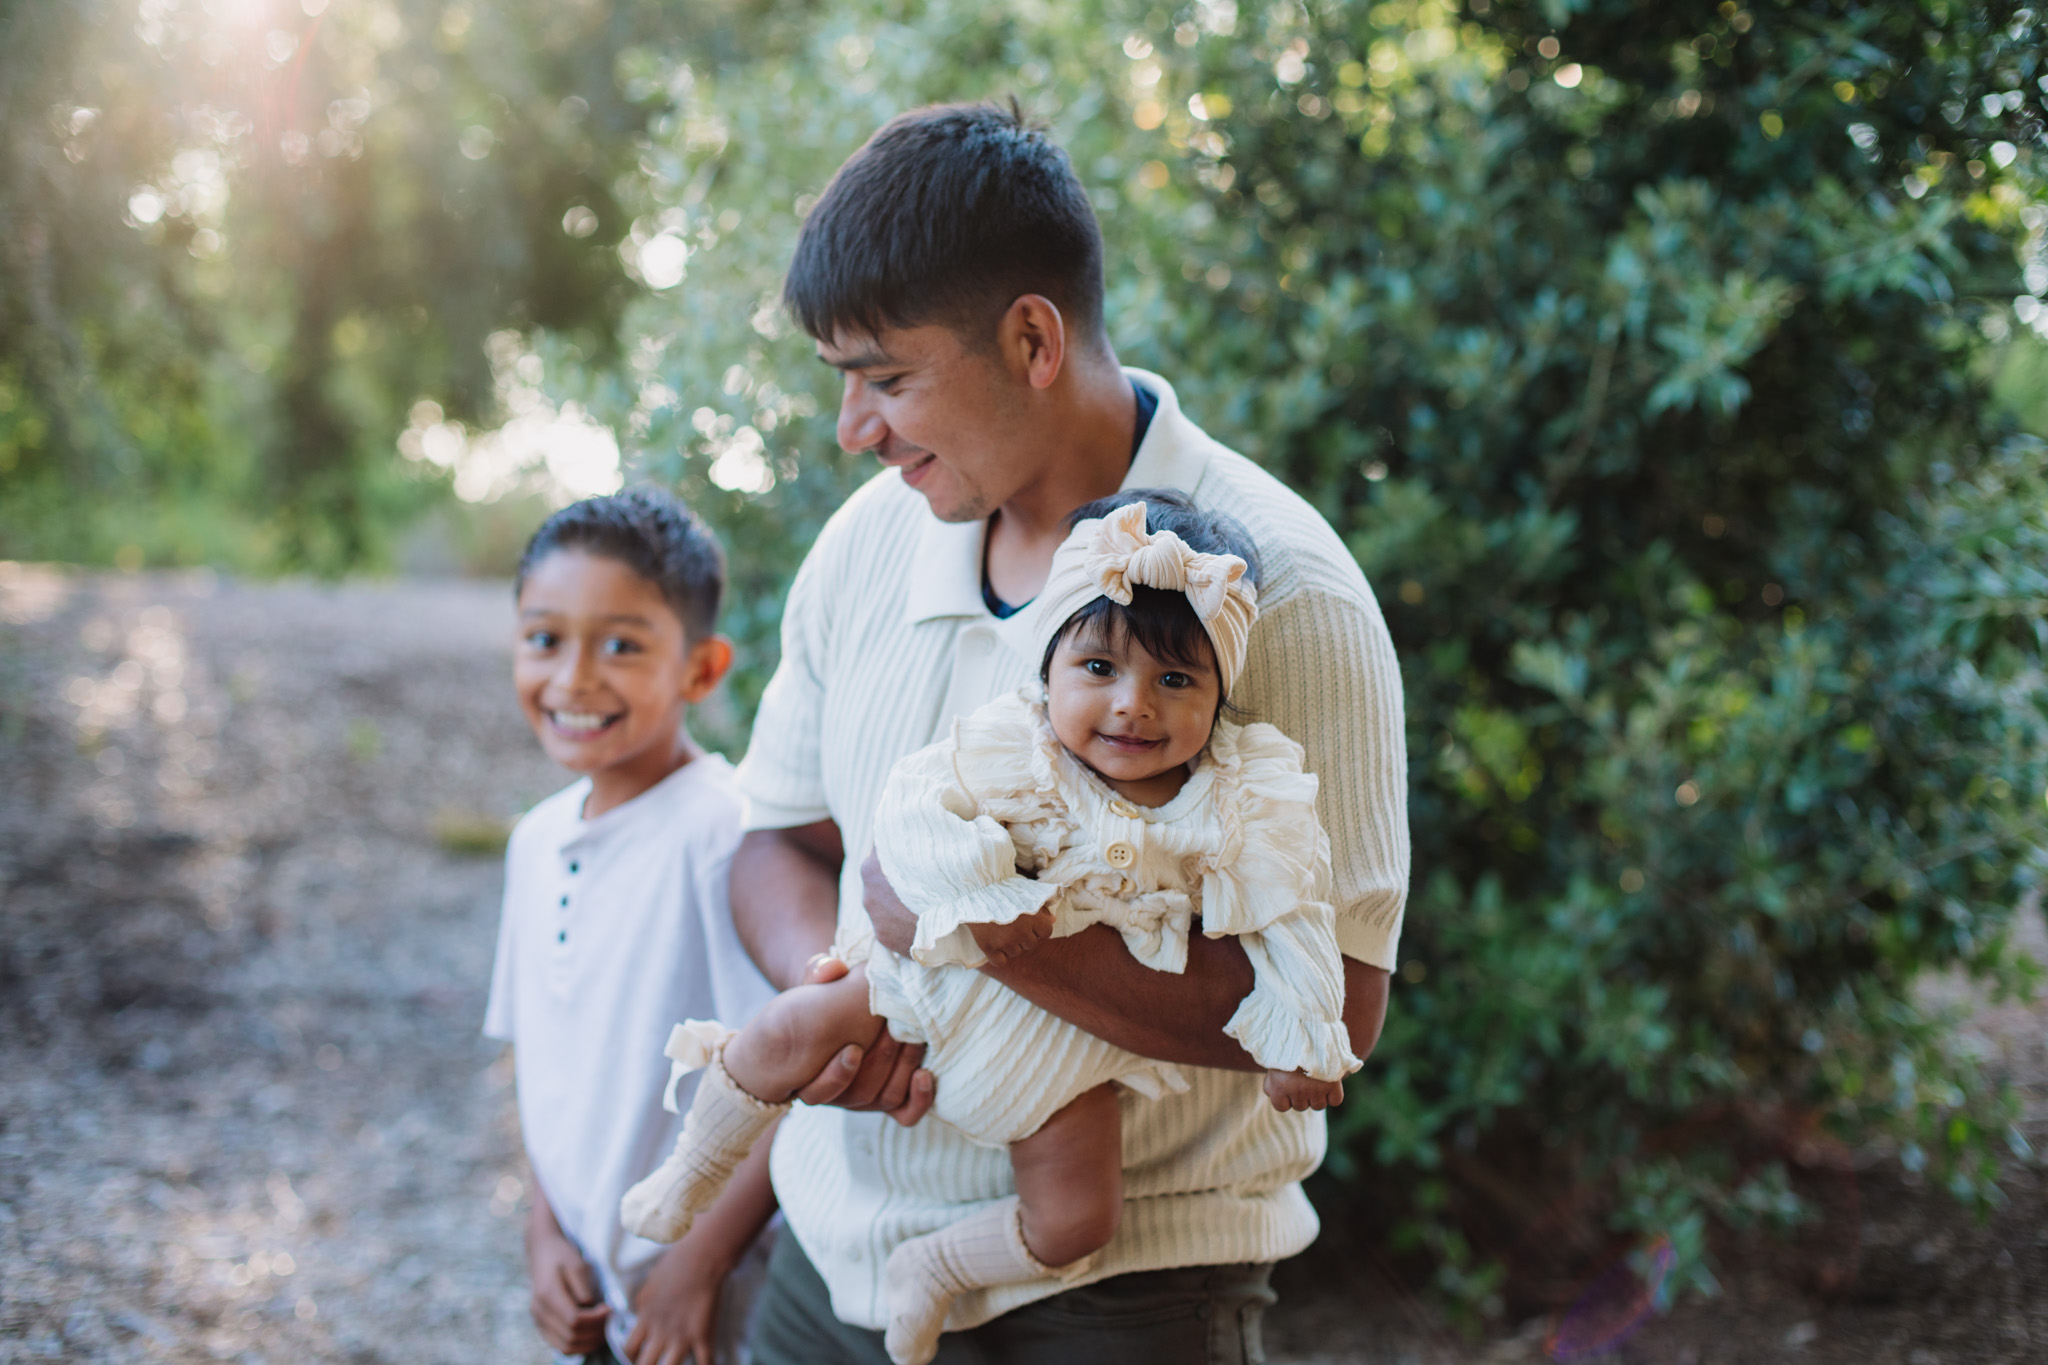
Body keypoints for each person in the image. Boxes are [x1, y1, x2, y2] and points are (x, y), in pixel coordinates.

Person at [731, 101, 1410, 1364]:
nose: (853, 430)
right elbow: (774, 840)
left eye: (887, 378)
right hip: (827, 1273)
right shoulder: (863, 546)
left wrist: (988, 937)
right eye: (844, 383)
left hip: (1127, 1301)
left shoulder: (1284, 593)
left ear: (1031, 338)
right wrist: (828, 1007)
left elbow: (1343, 1008)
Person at [621, 492, 1359, 1365]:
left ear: (1219, 692)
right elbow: (915, 817)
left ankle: (936, 1268)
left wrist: (1303, 1037)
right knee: (790, 1026)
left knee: (1077, 1220)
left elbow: (1291, 912)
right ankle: (690, 1172)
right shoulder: (1010, 742)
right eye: (1098, 669)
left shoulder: (1238, 795)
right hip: (932, 981)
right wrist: (981, 897)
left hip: (1070, 1054)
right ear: (1050, 662)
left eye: (1175, 680)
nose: (1132, 705)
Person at [483, 489, 779, 1365]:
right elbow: (542, 1065)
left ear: (701, 668)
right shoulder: (536, 839)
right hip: (593, 1285)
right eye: (544, 638)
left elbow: (793, 1084)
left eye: (621, 644)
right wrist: (545, 1232)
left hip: (709, 1295)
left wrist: (697, 1266)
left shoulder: (724, 831)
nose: (572, 677)